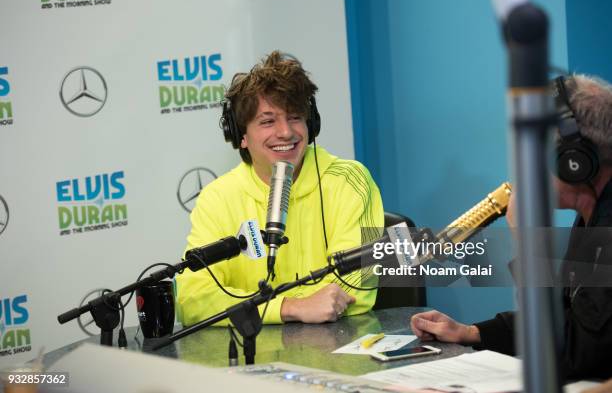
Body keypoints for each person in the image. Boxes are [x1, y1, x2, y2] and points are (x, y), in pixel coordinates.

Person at [410, 74, 612, 379]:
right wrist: (472, 333)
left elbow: (569, 354)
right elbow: (566, 317)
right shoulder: (591, 216)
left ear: (575, 161)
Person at [176, 51, 384, 326]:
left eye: (295, 117)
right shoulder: (217, 197)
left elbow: (357, 287)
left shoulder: (350, 181)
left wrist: (253, 307)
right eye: (268, 121)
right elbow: (193, 298)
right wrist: (289, 307)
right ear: (241, 136)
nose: (286, 132)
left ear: (311, 124)